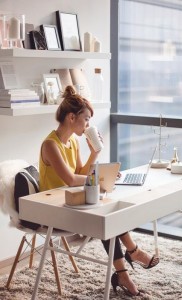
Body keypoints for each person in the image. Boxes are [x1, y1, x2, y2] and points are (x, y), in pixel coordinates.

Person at [39, 85, 159, 297]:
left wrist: (95, 153)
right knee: (105, 214)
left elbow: (79, 173)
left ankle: (123, 270)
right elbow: (70, 179)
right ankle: (133, 253)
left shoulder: (72, 142)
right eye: (86, 119)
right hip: (52, 209)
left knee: (108, 212)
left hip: (70, 201)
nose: (88, 125)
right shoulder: (51, 145)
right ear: (71, 117)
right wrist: (98, 180)